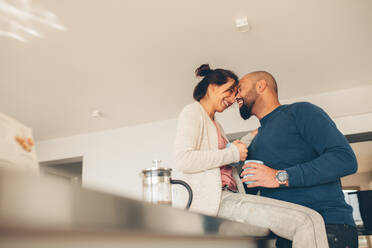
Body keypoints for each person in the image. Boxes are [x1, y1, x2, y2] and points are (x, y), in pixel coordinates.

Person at [174, 64, 329, 248]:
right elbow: (184, 159)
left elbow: (227, 152)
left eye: (236, 92)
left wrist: (251, 136)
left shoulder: (216, 124)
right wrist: (232, 153)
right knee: (307, 221)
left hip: (227, 197)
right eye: (230, 90)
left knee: (302, 223)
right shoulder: (192, 112)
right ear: (212, 86)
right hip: (217, 200)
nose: (233, 98)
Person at [236, 71, 358, 248]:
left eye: (240, 88)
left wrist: (279, 177)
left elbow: (345, 159)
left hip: (326, 228)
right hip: (284, 236)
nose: (236, 96)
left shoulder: (300, 112)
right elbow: (247, 195)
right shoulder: (254, 144)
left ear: (261, 86)